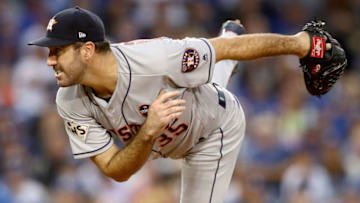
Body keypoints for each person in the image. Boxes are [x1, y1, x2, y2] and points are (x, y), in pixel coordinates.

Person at [28, 6, 313, 203]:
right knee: (193, 85)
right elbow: (116, 171)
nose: (50, 60)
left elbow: (225, 50)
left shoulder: (155, 59)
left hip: (213, 131)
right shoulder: (68, 99)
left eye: (58, 51)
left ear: (87, 50)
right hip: (173, 126)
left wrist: (302, 44)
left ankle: (233, 45)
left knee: (209, 72)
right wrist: (149, 131)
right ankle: (225, 48)